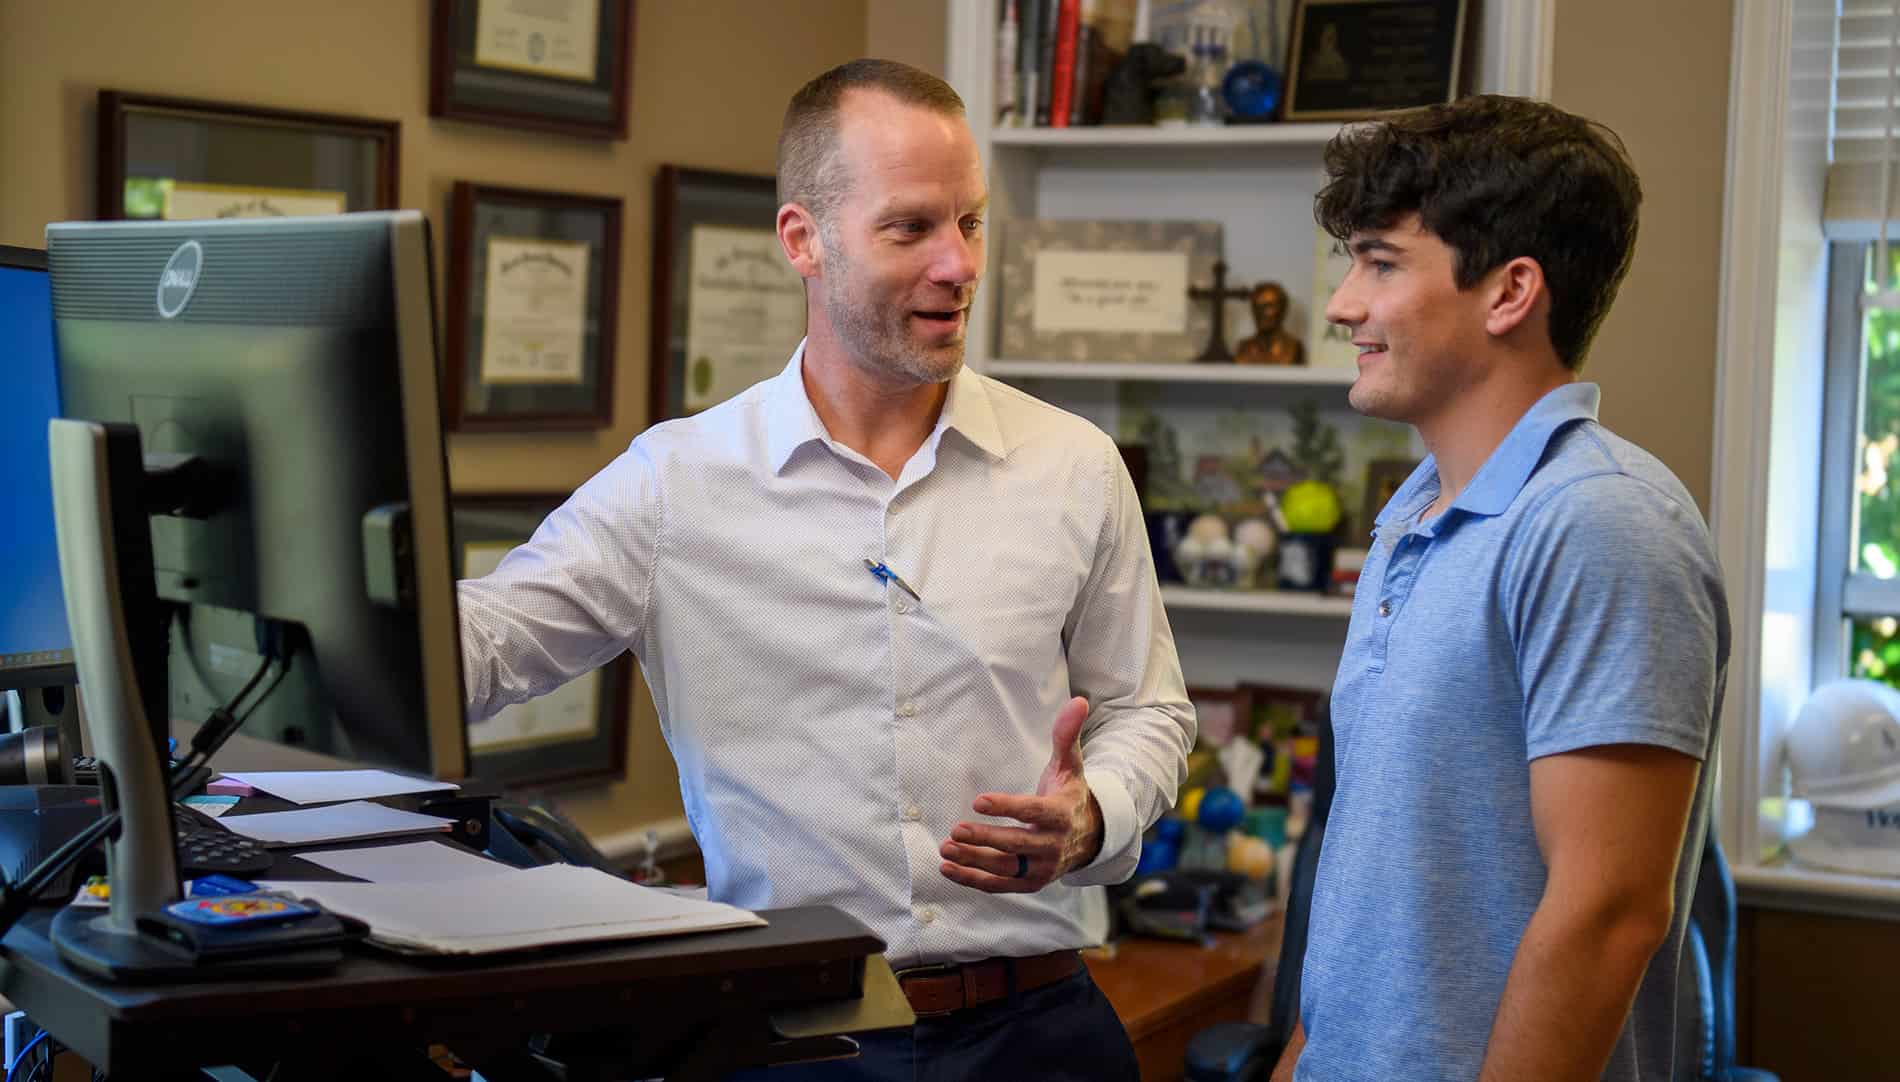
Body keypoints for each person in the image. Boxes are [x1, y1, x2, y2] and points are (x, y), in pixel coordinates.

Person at [457, 59, 1192, 1081]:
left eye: (970, 222)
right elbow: (480, 650)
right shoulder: (675, 483)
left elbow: (1148, 711)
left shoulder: (1072, 464)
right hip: (789, 1044)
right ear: (802, 239)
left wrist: (1090, 815)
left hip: (1038, 1031)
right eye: (910, 228)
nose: (957, 263)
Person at [1271, 95, 1729, 1082]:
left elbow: (1607, 911)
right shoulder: (1408, 523)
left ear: (1509, 291)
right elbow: (1373, 902)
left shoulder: (1599, 522)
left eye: (1381, 263)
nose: (1343, 303)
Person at [1234, 281, 1304, 366]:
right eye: (1257, 306)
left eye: (1268, 306)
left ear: (1282, 310)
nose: (1260, 312)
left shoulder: (1294, 348)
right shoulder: (1244, 348)